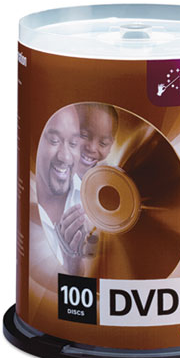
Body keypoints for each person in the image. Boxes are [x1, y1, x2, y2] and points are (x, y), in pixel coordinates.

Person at [35, 105, 86, 275]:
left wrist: (76, 267)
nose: (65, 156)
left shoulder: (95, 203)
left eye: (73, 144)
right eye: (54, 141)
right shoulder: (24, 207)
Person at [75, 103, 118, 179]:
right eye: (84, 135)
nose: (92, 148)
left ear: (111, 145)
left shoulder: (106, 177)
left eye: (103, 143)